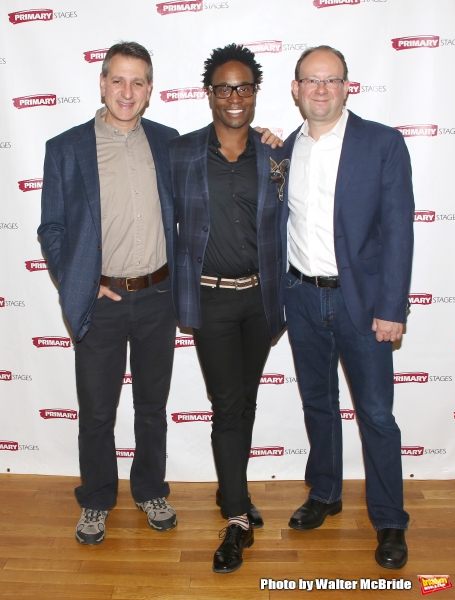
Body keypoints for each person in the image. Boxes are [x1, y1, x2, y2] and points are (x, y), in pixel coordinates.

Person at [38, 41, 281, 546]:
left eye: (139, 82)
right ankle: (98, 500)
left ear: (151, 90)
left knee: (152, 405)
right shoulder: (65, 148)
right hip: (101, 302)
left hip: (159, 295)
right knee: (98, 411)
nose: (128, 92)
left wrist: (263, 136)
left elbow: (225, 150)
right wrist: (82, 284)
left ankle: (150, 489)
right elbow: (53, 230)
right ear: (102, 83)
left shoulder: (171, 144)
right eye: (118, 80)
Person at [283, 45, 414, 569]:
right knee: (318, 404)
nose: (321, 90)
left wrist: (392, 306)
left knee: (377, 415)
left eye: (331, 80)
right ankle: (325, 493)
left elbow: (398, 232)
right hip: (301, 297)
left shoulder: (381, 143)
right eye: (311, 81)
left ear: (346, 87)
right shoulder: (281, 149)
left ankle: (388, 519)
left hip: (364, 303)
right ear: (295, 90)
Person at [169, 44, 288, 573]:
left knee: (245, 400)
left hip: (261, 299)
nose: (234, 97)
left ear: (256, 92)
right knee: (226, 406)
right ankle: (236, 519)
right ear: (209, 94)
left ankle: (232, 494)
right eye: (224, 88)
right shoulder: (183, 154)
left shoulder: (277, 155)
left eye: (244, 87)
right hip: (212, 299)